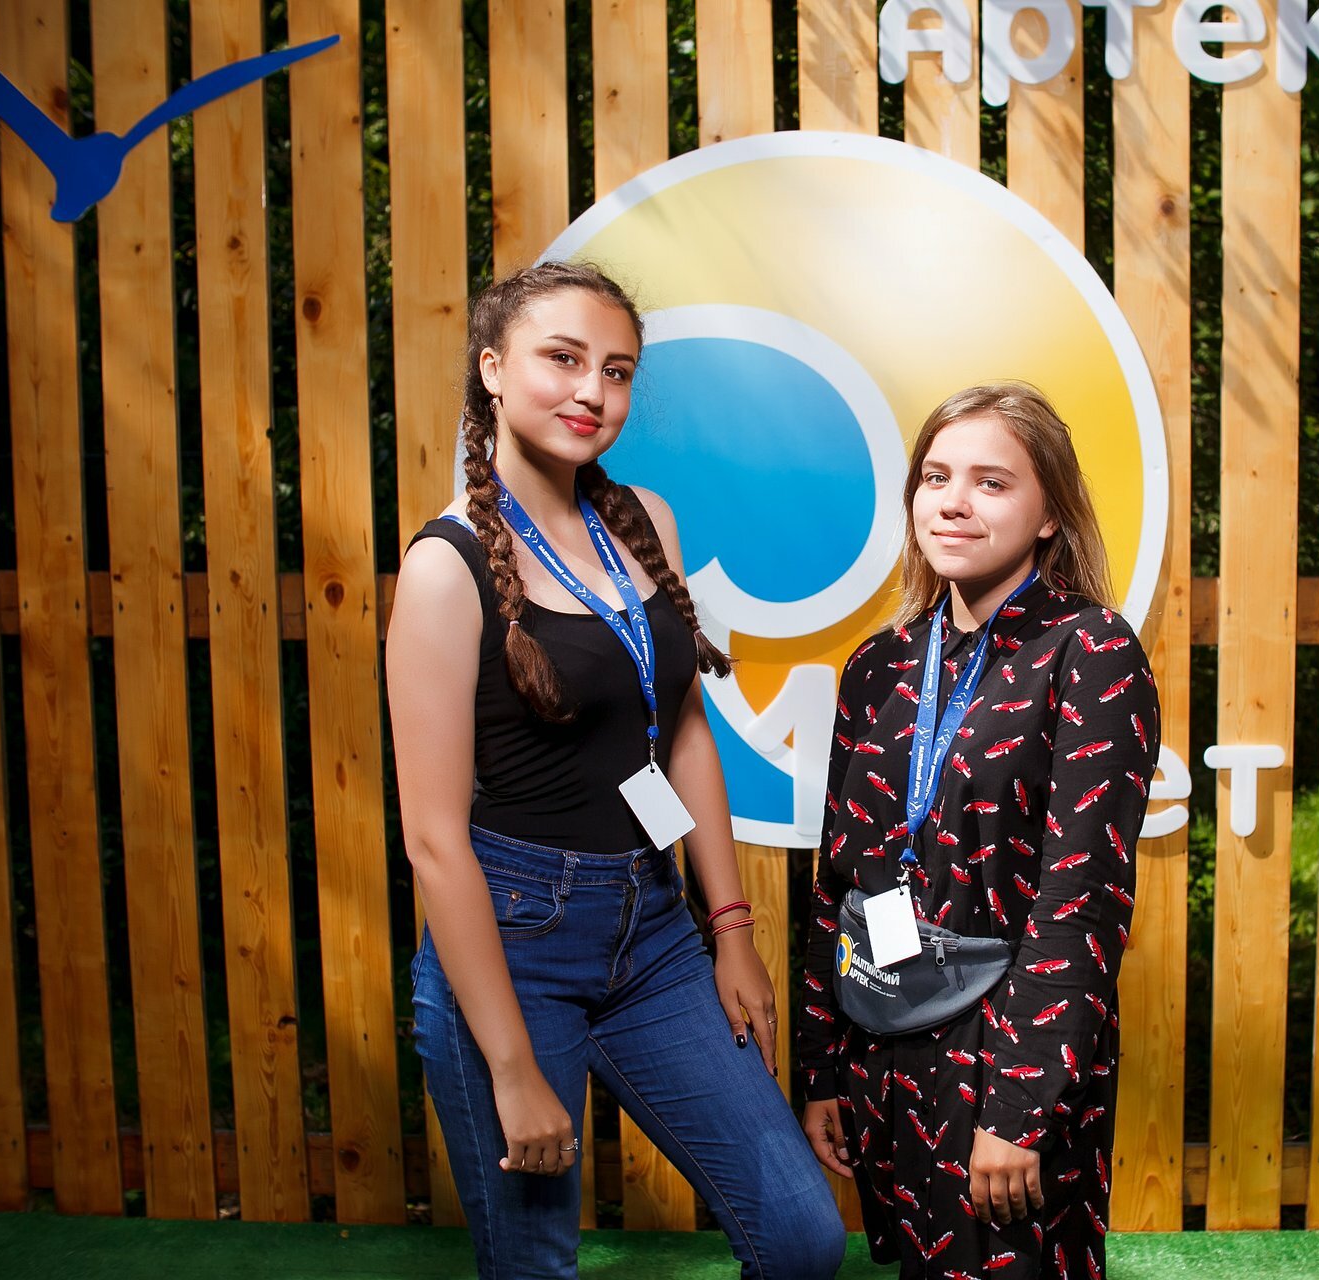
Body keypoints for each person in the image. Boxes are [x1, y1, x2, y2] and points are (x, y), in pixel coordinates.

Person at [387, 260, 846, 1280]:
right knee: (536, 1266)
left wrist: (731, 930)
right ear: (492, 368)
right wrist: (510, 1064)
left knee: (803, 1238)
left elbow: (681, 732)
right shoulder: (444, 566)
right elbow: (433, 839)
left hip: (654, 930)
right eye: (563, 359)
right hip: (512, 938)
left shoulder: (644, 519)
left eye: (617, 370)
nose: (592, 391)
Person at [796, 383, 1160, 1277]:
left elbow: (1081, 904)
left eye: (991, 483)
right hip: (881, 1044)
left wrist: (1020, 1111)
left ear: (1049, 514)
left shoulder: (1091, 650)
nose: (953, 502)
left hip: (1004, 1053)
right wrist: (822, 1069)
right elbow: (838, 880)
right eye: (936, 477)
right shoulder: (879, 663)